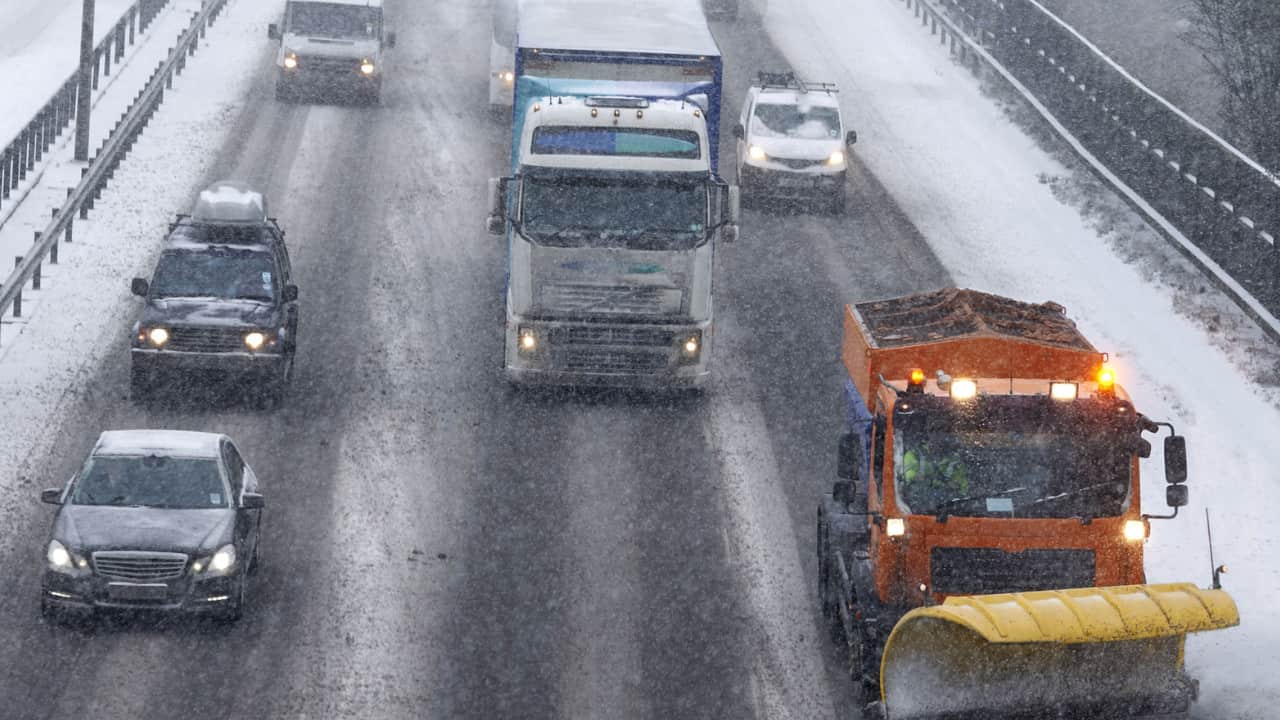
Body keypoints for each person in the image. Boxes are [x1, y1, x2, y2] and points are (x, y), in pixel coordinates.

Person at [899, 442, 969, 511]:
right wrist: (916, 478)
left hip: (948, 509)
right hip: (917, 507)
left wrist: (954, 486)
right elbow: (905, 476)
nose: (939, 438)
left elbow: (964, 491)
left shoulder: (955, 462)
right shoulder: (914, 454)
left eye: (944, 433)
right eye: (934, 432)